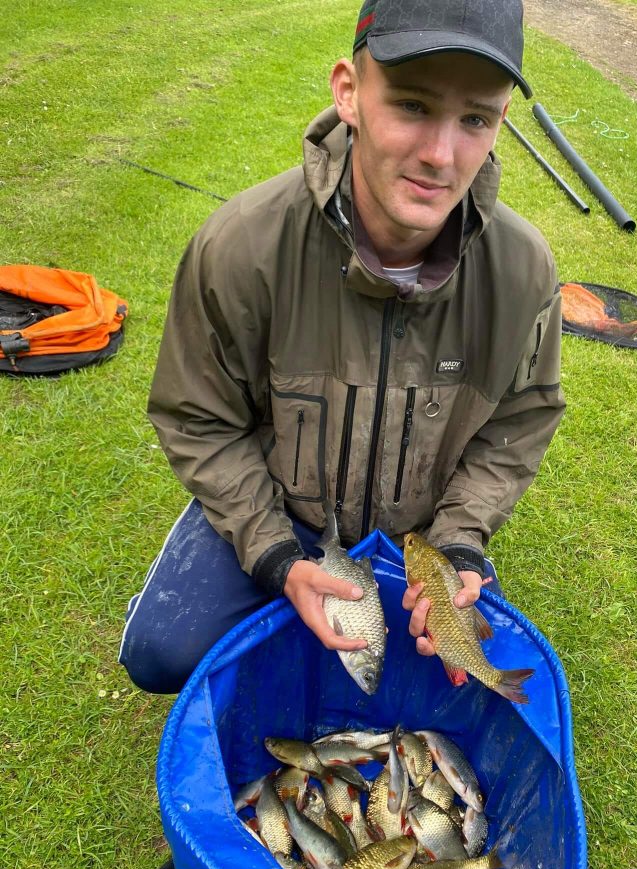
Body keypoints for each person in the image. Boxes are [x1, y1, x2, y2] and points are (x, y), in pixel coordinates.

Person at [120, 0, 565, 696]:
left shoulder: (524, 271)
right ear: (348, 92)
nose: (441, 155)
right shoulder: (240, 247)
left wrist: (457, 543)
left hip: (421, 544)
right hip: (283, 511)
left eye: (475, 118)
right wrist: (271, 555)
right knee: (162, 654)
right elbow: (198, 420)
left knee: (460, 679)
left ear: (501, 121)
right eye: (413, 105)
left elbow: (518, 425)